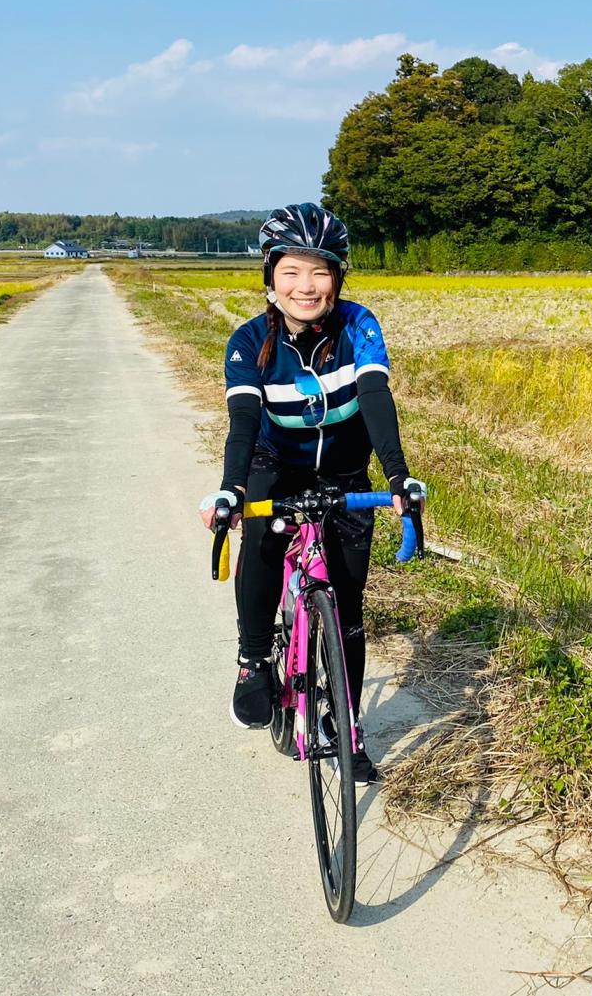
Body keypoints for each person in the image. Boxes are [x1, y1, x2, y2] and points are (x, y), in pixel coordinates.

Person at [197, 203, 413, 783]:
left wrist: (397, 477)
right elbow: (243, 423)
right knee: (264, 542)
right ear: (269, 277)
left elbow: (375, 400)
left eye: (320, 271)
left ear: (338, 278)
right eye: (291, 271)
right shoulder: (248, 343)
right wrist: (231, 491)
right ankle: (252, 660)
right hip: (275, 467)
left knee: (346, 609)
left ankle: (344, 728)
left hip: (344, 474)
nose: (306, 286)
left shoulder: (359, 327)